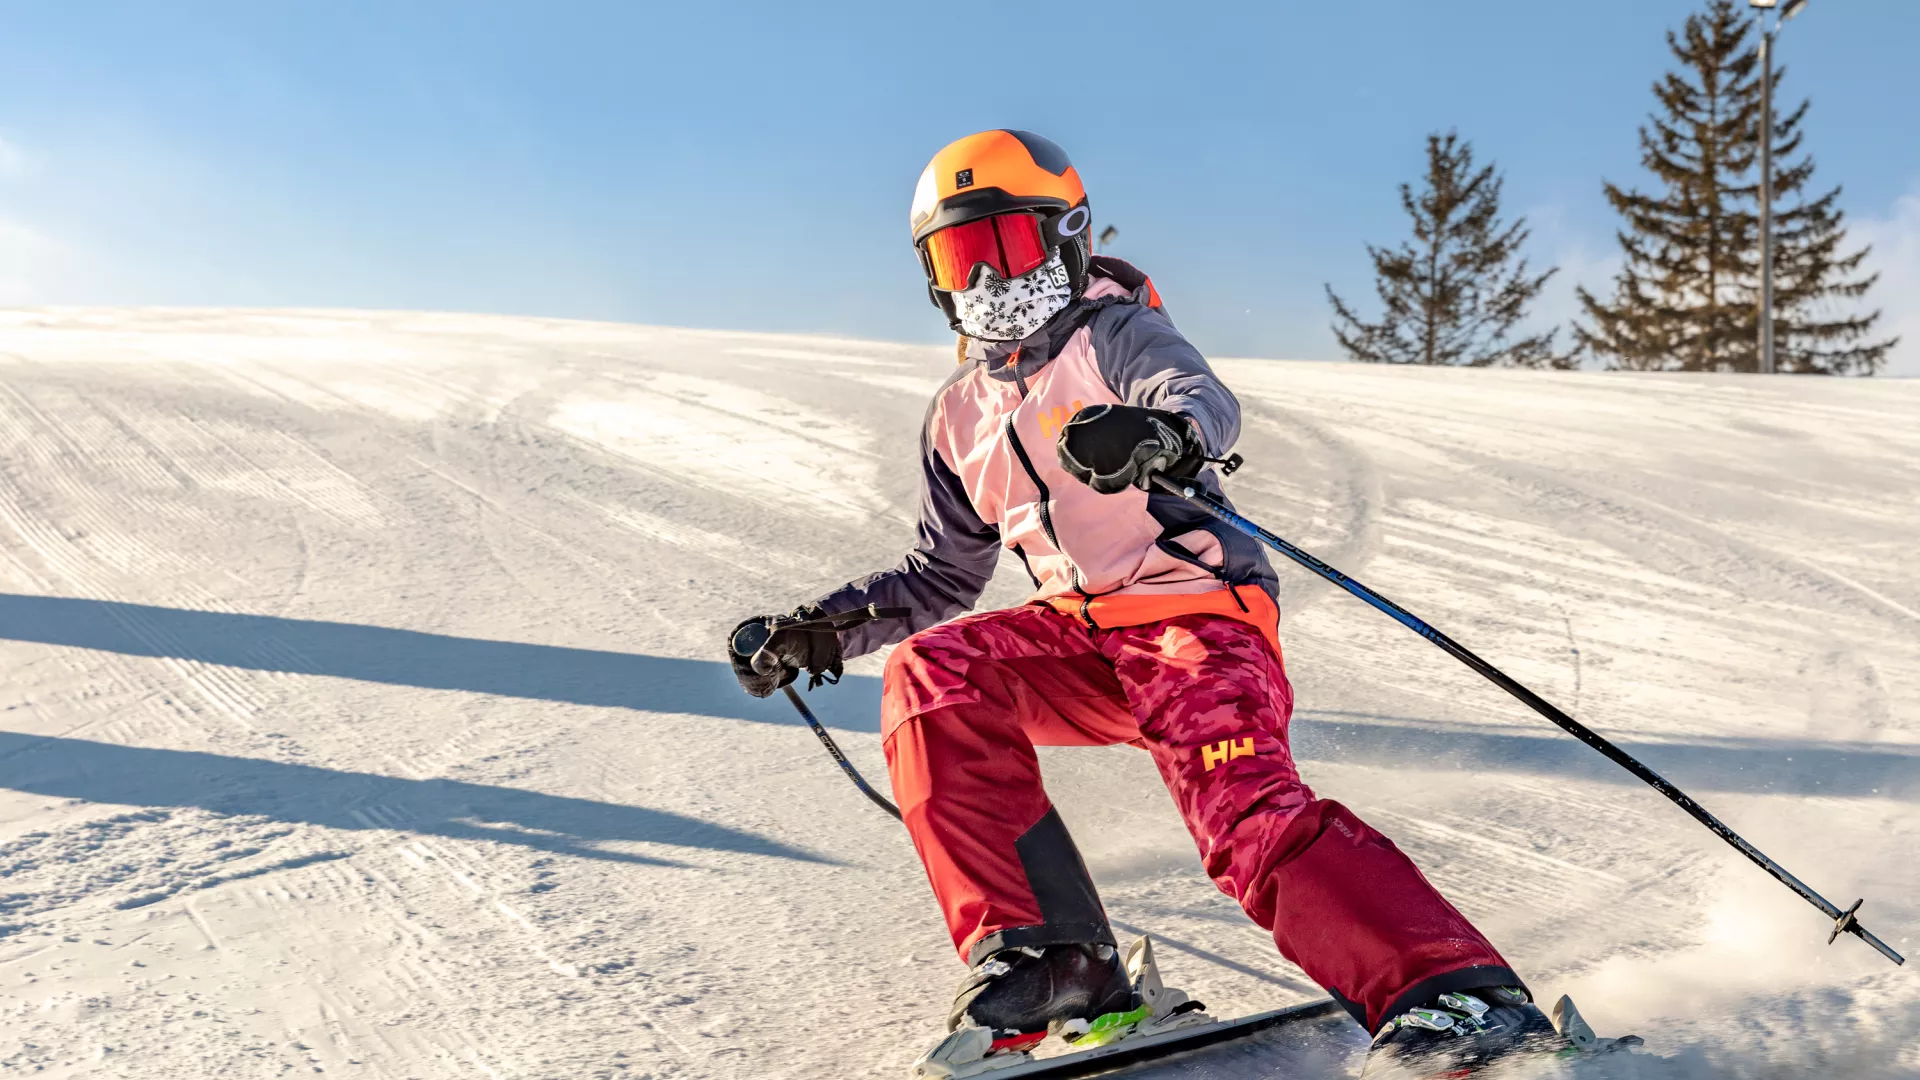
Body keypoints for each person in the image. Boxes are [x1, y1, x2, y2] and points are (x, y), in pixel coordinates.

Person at [728, 130, 1565, 1078]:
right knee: (936, 671)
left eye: (1013, 244)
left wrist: (1160, 435)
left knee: (1242, 816)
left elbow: (1199, 397)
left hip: (1193, 622)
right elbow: (940, 576)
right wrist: (823, 628)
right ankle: (1055, 963)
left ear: (1069, 235)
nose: (994, 278)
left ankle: (1453, 994)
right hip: (1080, 644)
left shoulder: (1114, 334)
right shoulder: (956, 413)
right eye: (965, 255)